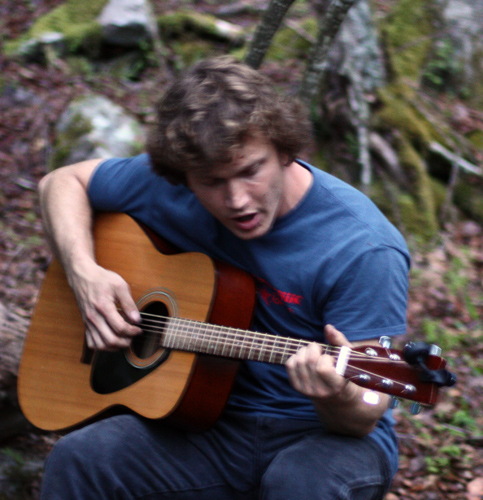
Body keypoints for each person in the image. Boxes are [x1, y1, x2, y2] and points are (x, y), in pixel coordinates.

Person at [37, 56, 410, 500]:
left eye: (251, 171)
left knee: (299, 484)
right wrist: (84, 273)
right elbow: (61, 183)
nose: (236, 200)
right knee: (80, 460)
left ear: (284, 151)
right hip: (206, 423)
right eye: (213, 182)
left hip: (323, 438)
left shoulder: (363, 247)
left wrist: (335, 396)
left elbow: (365, 411)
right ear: (184, 176)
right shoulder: (169, 185)